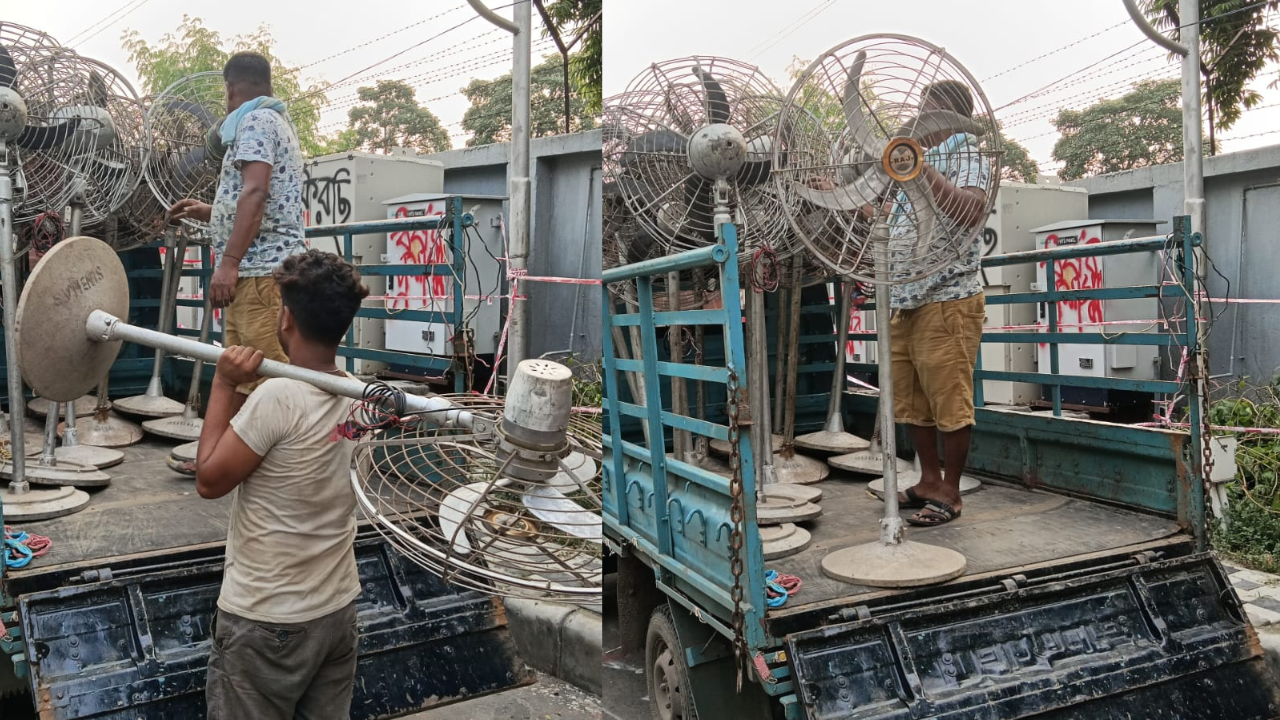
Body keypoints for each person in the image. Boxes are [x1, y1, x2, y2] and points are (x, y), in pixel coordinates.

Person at [196, 249, 370, 720]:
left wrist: (224, 383)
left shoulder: (278, 396)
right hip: (336, 612)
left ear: (286, 316)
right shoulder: (357, 397)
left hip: (266, 621)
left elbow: (209, 480)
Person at [169, 51, 306, 474]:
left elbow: (256, 195)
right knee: (244, 370)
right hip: (256, 268)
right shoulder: (271, 120)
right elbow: (254, 199)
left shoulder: (255, 122)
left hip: (261, 272)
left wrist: (227, 263)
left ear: (230, 89)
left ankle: (278, 462)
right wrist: (208, 211)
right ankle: (227, 453)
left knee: (268, 372)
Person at [884, 79, 992, 527]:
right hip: (906, 298)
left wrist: (923, 170)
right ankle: (928, 480)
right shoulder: (913, 165)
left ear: (950, 115)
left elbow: (971, 210)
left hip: (947, 297)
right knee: (911, 401)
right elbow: (897, 223)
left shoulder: (969, 154)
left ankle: (951, 491)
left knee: (948, 399)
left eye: (927, 112)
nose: (918, 121)